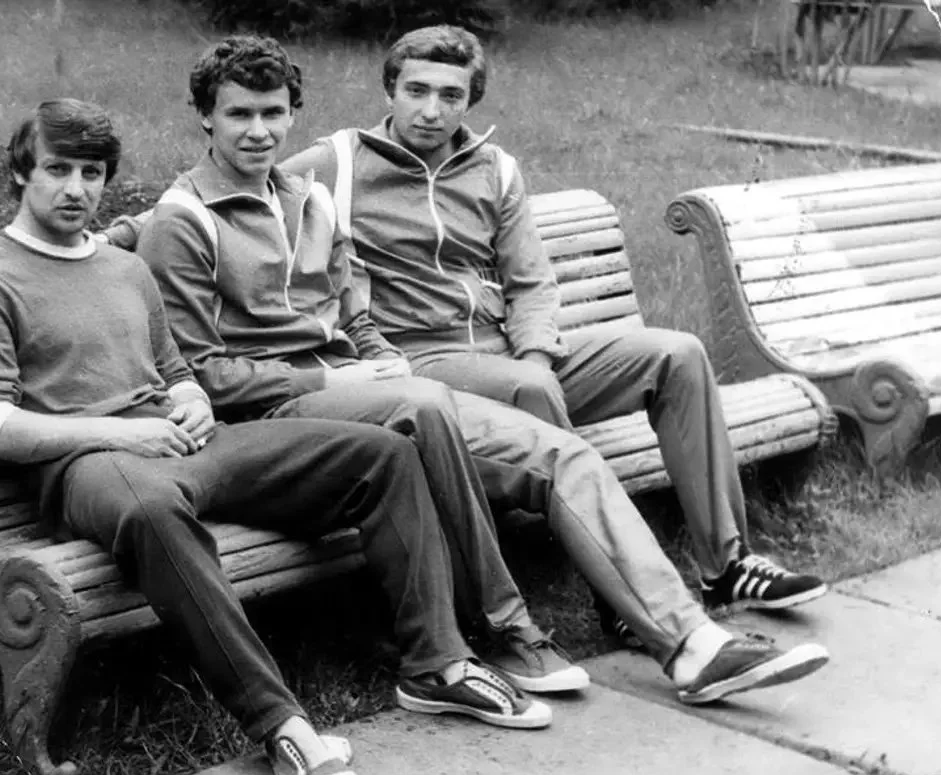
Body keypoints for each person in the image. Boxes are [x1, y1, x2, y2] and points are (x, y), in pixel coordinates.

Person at [128, 36, 830, 711]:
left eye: (273, 113)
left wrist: (376, 355)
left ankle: (694, 643)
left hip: (386, 386)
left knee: (564, 456)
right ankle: (505, 627)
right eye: (239, 114)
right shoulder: (191, 218)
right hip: (289, 416)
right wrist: (346, 381)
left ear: (292, 115)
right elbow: (206, 375)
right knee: (435, 404)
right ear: (205, 117)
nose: (258, 131)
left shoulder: (309, 199)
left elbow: (352, 312)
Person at [0, 98, 553, 775]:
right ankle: (281, 723)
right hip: (88, 466)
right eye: (57, 170)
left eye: (91, 173)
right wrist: (124, 433)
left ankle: (436, 663)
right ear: (21, 174)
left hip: (183, 444)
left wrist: (192, 400)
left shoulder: (123, 268)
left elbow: (174, 369)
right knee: (152, 509)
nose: (76, 188)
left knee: (383, 454)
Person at [279, 25, 828, 645]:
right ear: (389, 90)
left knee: (677, 355)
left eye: (450, 96)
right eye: (416, 91)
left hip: (509, 349)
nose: (431, 111)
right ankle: (620, 594)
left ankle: (726, 565)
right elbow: (244, 180)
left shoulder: (494, 168)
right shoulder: (340, 161)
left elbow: (531, 282)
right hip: (421, 360)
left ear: (470, 101)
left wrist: (536, 352)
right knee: (530, 388)